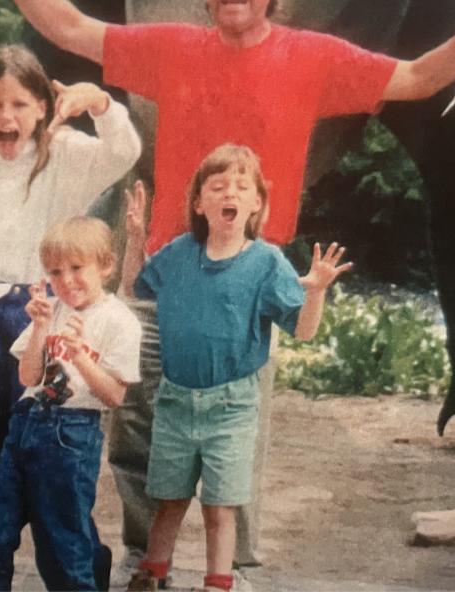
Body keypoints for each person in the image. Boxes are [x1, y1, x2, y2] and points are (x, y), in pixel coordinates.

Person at [0, 0, 455, 567]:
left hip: (247, 275)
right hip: (164, 268)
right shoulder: (170, 48)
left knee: (235, 432)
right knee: (136, 424)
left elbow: (416, 77)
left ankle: (236, 567)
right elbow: (74, 28)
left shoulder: (314, 58)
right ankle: (149, 561)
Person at [0, 45, 141, 545]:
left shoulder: (67, 154)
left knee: (50, 456)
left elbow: (125, 151)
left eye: (19, 104)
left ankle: (74, 570)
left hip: (41, 314)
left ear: (42, 106)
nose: (6, 116)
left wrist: (100, 104)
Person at [120, 144, 350, 592]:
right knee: (168, 500)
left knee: (219, 507)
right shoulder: (177, 254)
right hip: (174, 400)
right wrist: (133, 238)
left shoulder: (267, 263)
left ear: (256, 204)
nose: (230, 193)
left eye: (242, 187)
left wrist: (317, 290)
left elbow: (302, 331)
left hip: (232, 406)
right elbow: (133, 286)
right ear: (199, 203)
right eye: (218, 185)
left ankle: (218, 583)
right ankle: (153, 573)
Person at [0, 216, 141, 591]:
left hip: (70, 437)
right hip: (25, 427)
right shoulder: (54, 310)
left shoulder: (118, 320)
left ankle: (92, 576)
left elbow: (114, 395)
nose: (67, 281)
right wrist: (42, 329)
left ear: (105, 266)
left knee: (62, 551)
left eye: (77, 268)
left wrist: (80, 357)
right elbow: (28, 378)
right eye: (56, 272)